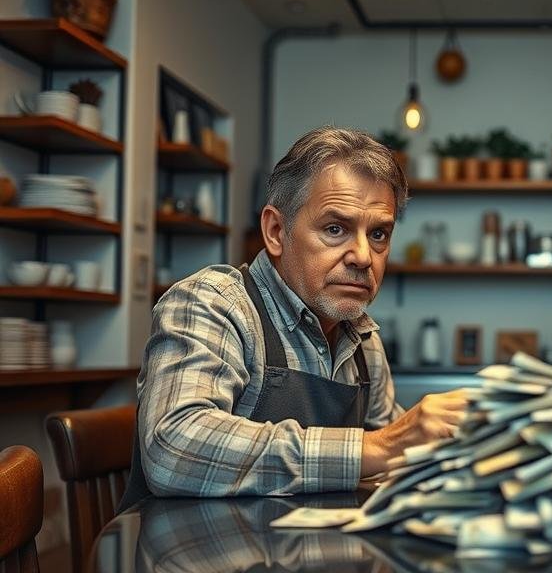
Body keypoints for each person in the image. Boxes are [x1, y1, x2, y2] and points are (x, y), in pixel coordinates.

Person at [120, 127, 467, 508]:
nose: (364, 256)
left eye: (380, 234)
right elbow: (174, 447)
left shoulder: (364, 342)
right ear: (275, 231)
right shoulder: (213, 304)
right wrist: (380, 447)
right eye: (336, 229)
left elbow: (393, 463)